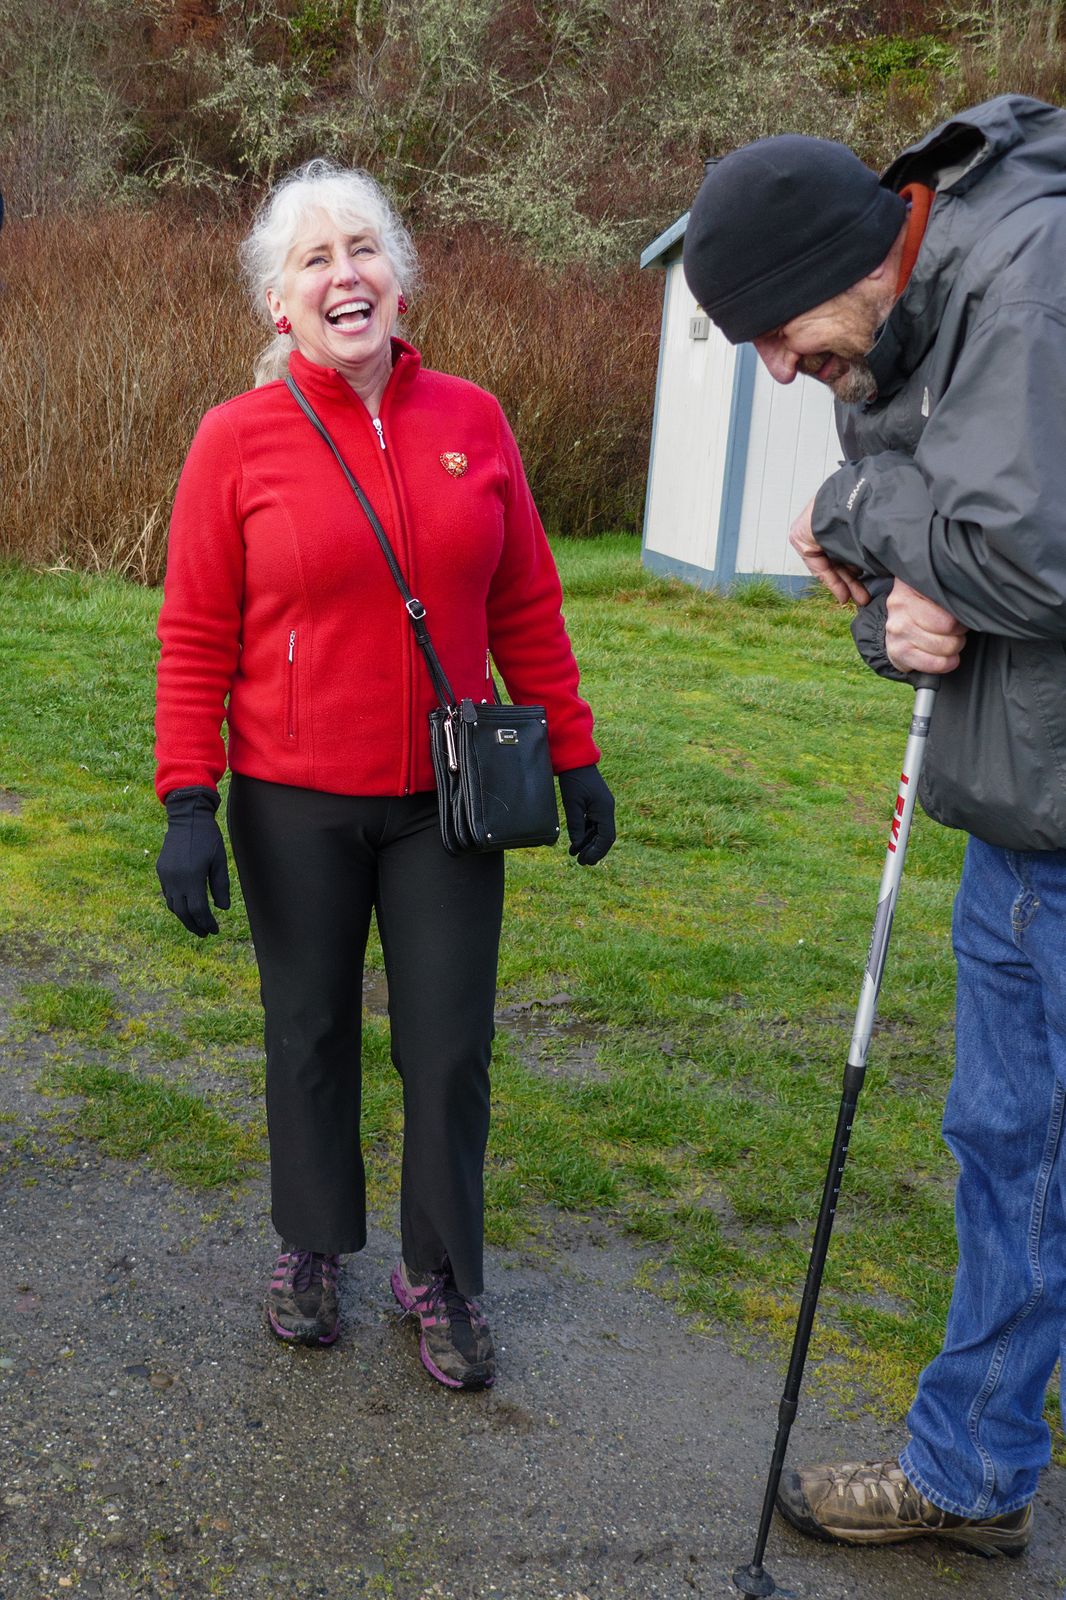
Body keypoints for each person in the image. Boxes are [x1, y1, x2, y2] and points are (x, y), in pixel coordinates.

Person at [154, 159, 615, 1390]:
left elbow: (524, 600)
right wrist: (188, 800)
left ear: (400, 280)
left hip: (445, 801)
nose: (343, 275)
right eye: (314, 259)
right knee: (308, 1030)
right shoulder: (233, 440)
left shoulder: (474, 421)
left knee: (448, 1043)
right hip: (293, 800)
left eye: (363, 250)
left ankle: (441, 1270)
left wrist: (572, 752)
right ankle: (310, 1245)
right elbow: (195, 630)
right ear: (277, 304)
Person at [682, 95, 1066, 1557]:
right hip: (1013, 806)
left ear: (846, 254)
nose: (782, 370)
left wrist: (857, 501)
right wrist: (881, 592)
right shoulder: (903, 323)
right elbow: (921, 610)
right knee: (1006, 1147)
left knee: (1022, 1153)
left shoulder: (1022, 279)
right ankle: (976, 1463)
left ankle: (974, 1463)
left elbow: (1017, 561)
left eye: (775, 332)